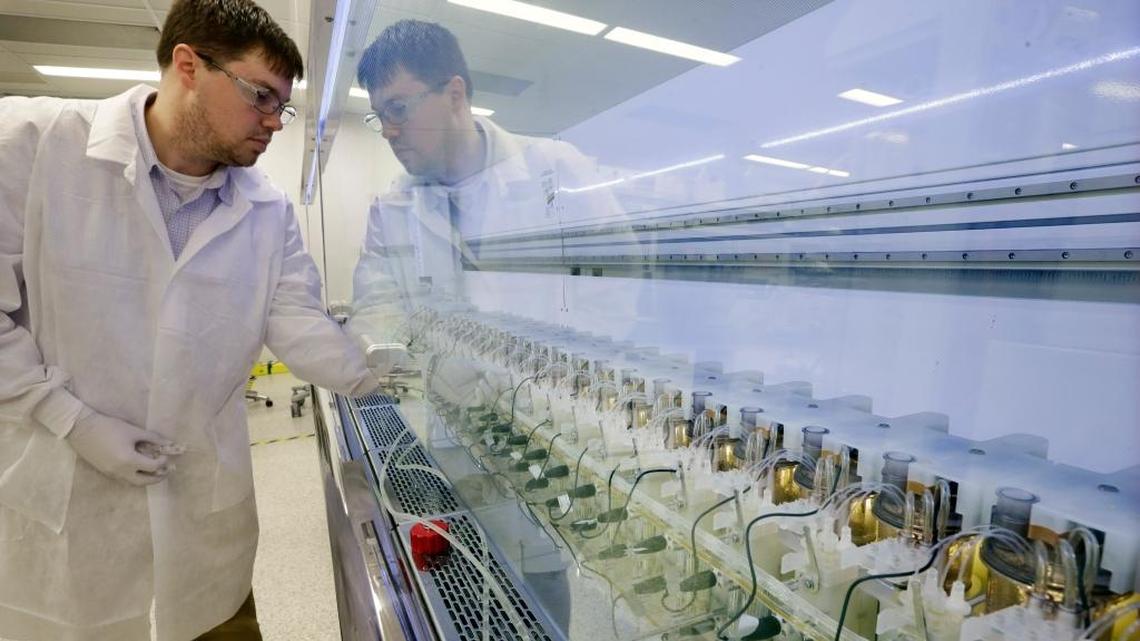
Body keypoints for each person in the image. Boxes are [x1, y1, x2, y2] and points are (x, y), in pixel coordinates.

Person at [0, 1, 379, 639]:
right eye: (261, 95)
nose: (274, 121)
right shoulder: (32, 144)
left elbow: (300, 324)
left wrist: (386, 375)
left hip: (201, 511)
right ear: (188, 65)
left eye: (282, 106)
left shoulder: (266, 209)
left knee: (213, 621)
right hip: (62, 499)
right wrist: (71, 418)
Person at [348, 20, 634, 633]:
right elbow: (374, 306)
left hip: (546, 432)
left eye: (398, 108)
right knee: (458, 583)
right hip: (444, 432)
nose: (389, 130)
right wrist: (417, 364)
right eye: (379, 116)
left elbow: (621, 284)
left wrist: (539, 374)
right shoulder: (393, 206)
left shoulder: (554, 170)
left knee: (538, 579)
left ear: (454, 93)